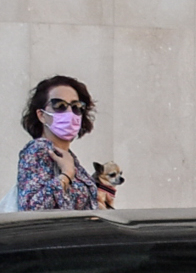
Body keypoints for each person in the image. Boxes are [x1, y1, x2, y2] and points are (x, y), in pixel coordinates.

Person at [13, 76, 118, 211]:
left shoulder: (69, 158)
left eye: (76, 107)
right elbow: (31, 208)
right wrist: (66, 174)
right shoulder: (38, 150)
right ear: (41, 115)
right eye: (60, 106)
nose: (69, 113)